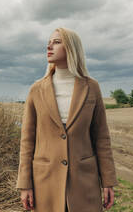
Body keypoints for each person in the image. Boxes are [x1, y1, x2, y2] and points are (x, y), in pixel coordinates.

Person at [16, 27, 119, 212]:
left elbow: (102, 138)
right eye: (49, 42)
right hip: (45, 182)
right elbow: (27, 141)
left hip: (84, 182)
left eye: (57, 42)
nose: (49, 46)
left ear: (72, 48)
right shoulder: (36, 90)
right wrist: (25, 184)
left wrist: (108, 181)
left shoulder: (91, 87)